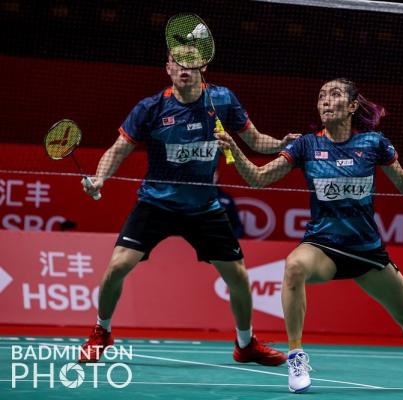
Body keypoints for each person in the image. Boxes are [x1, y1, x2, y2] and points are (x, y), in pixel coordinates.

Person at [216, 78, 403, 393]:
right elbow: (257, 178)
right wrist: (234, 150)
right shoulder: (306, 145)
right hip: (323, 244)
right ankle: (296, 356)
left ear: (351, 106)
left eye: (334, 95)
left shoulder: (374, 144)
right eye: (321, 96)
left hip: (366, 249)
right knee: (294, 266)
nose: (325, 100)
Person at [78, 45, 299, 365]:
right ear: (167, 68)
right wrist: (100, 178)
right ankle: (102, 331)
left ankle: (245, 344)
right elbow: (118, 150)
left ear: (203, 67)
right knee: (117, 267)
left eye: (191, 63)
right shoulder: (151, 108)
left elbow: (255, 140)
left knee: (238, 277)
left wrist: (281, 144)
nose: (184, 69)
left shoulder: (222, 100)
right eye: (177, 63)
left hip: (203, 207)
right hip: (156, 203)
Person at [214, 171, 244, 238]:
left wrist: (233, 238)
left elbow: (238, 226)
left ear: (217, 176)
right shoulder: (196, 198)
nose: (211, 177)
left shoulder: (227, 199)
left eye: (214, 174)